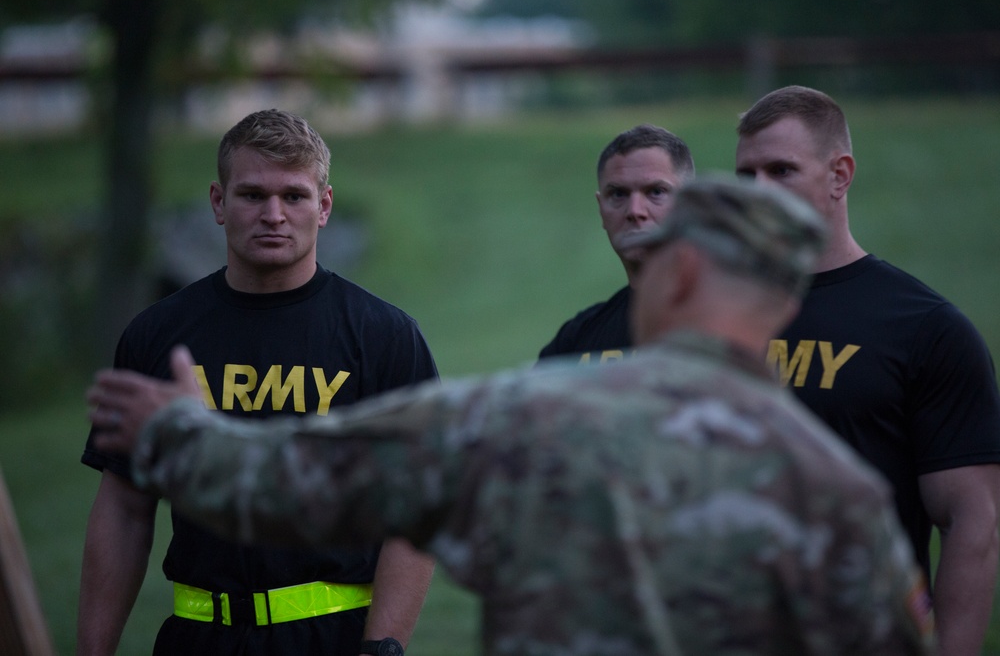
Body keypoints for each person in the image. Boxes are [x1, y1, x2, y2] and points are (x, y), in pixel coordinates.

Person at [88, 177, 935, 655]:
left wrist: (175, 429)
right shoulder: (840, 492)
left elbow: (290, 484)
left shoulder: (529, 414)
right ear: (785, 304)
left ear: (675, 278)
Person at [77, 109, 439, 656]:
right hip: (197, 640)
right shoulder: (158, 334)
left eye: (294, 196)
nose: (274, 214)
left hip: (332, 640)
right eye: (252, 195)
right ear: (219, 204)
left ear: (324, 206)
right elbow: (124, 508)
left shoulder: (384, 337)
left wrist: (383, 647)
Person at [735, 85, 1000, 656]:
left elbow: (972, 521)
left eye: (780, 170)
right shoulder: (713, 320)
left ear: (839, 174)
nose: (757, 192)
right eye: (745, 174)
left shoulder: (924, 328)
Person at [538, 124, 695, 363]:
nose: (635, 211)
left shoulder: (746, 321)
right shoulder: (575, 342)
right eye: (619, 194)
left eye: (656, 192)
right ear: (601, 209)